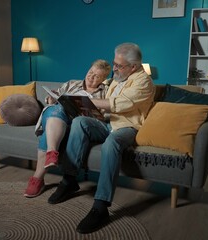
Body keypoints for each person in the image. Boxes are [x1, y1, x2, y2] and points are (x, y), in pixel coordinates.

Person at [47, 43, 155, 234]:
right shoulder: (117, 78)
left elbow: (117, 104)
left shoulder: (144, 82)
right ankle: (69, 180)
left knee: (111, 143)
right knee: (80, 122)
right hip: (108, 124)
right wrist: (83, 108)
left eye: (119, 66)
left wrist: (80, 100)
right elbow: (106, 109)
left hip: (128, 128)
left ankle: (101, 206)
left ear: (134, 66)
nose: (114, 69)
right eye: (114, 64)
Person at [24, 59, 112, 198]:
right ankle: (51, 153)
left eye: (97, 76)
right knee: (57, 109)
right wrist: (50, 99)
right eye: (90, 72)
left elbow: (106, 118)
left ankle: (38, 177)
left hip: (78, 125)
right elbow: (52, 98)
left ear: (103, 79)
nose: (91, 77)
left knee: (51, 129)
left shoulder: (106, 92)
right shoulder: (72, 84)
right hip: (59, 119)